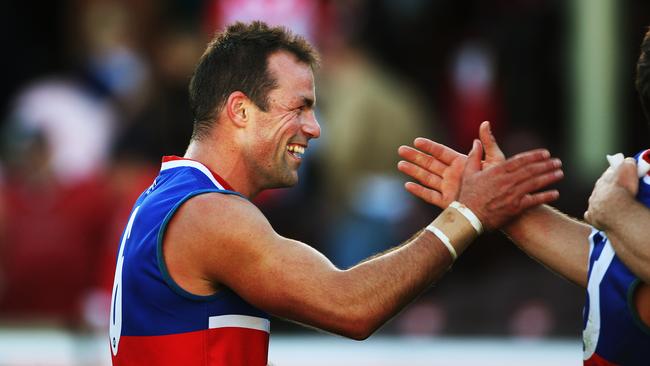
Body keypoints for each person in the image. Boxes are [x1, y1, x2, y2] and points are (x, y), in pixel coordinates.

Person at [108, 21, 564, 365]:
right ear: (241, 110)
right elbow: (352, 306)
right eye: (300, 107)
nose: (315, 127)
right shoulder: (207, 213)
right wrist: (467, 215)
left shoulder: (173, 198)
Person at [397, 29, 650, 366]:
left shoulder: (621, 192)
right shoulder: (641, 174)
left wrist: (614, 209)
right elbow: (612, 267)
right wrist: (493, 203)